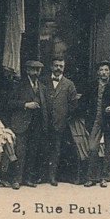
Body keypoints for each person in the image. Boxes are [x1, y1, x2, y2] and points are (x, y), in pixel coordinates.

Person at [82, 61, 110, 188]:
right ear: (98, 72)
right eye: (101, 70)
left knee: (108, 150)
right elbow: (84, 101)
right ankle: (91, 178)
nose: (104, 72)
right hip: (95, 121)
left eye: (106, 70)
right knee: (92, 148)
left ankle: (104, 177)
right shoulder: (92, 85)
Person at [8, 60, 50, 188]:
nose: (36, 72)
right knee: (20, 152)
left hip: (36, 124)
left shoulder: (42, 87)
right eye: (33, 69)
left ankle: (27, 179)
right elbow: (9, 102)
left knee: (32, 152)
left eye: (38, 70)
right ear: (27, 70)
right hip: (22, 123)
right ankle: (16, 179)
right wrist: (26, 105)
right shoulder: (19, 85)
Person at [41, 57, 79, 186]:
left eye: (61, 66)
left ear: (64, 68)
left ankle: (52, 177)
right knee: (42, 148)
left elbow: (73, 104)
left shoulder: (69, 84)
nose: (58, 68)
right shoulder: (43, 81)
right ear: (51, 67)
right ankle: (41, 176)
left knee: (55, 150)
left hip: (59, 123)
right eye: (56, 65)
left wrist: (64, 116)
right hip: (43, 122)